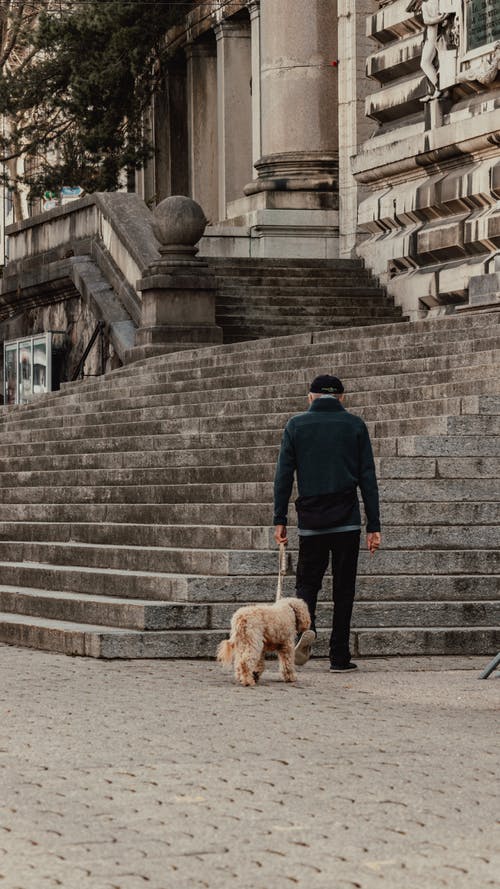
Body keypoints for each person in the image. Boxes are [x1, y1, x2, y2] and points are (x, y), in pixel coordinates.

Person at [273, 374, 381, 672]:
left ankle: (308, 630)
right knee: (344, 589)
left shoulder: (296, 425)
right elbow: (367, 478)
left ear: (311, 397)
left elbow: (283, 476)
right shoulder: (355, 425)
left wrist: (279, 519)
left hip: (312, 520)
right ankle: (339, 657)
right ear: (341, 398)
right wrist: (374, 525)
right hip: (346, 521)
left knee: (307, 584)